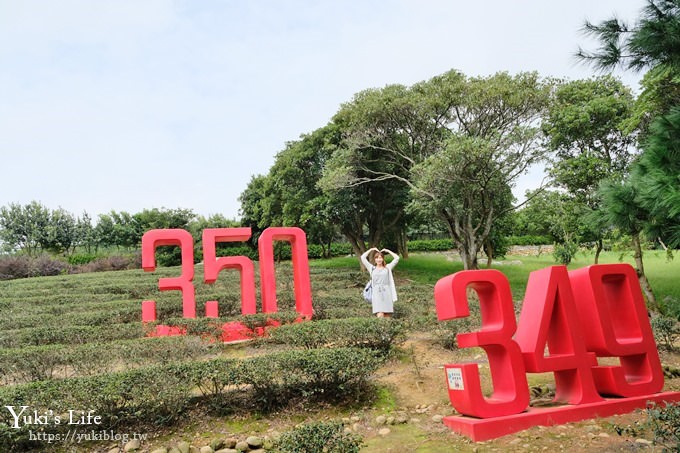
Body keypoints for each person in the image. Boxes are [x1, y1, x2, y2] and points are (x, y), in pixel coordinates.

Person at [360, 247, 400, 318]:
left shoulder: (387, 267)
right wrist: (371, 250)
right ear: (375, 259)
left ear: (383, 259)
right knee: (380, 313)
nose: (379, 259)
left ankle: (387, 328)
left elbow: (397, 258)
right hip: (376, 293)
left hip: (387, 292)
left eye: (380, 257)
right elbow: (363, 257)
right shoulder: (372, 268)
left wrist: (387, 250)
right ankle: (380, 327)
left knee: (387, 315)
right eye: (377, 258)